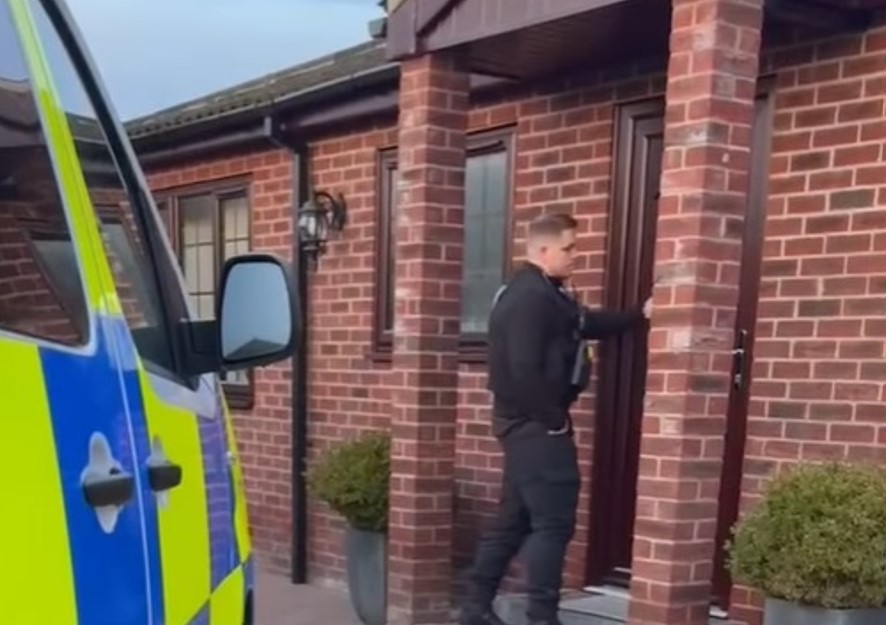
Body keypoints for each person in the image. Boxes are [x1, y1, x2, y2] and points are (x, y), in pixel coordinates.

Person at [459, 212, 652, 625]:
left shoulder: (547, 293)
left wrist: (640, 314)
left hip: (523, 427)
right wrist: (553, 420)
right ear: (543, 250)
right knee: (554, 524)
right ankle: (542, 618)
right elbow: (523, 369)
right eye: (569, 248)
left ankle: (475, 608)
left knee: (513, 521)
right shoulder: (529, 298)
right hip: (535, 427)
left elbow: (585, 324)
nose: (574, 256)